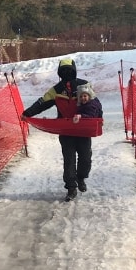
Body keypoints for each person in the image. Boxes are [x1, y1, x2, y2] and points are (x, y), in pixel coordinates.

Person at [21, 58, 91, 201]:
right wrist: (27, 113)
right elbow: (41, 103)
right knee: (69, 160)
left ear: (74, 71)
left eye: (69, 71)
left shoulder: (84, 85)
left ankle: (81, 177)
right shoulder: (56, 91)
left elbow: (94, 103)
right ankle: (71, 188)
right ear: (60, 73)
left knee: (85, 158)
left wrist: (98, 116)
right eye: (63, 71)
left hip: (83, 128)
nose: (67, 74)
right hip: (65, 130)